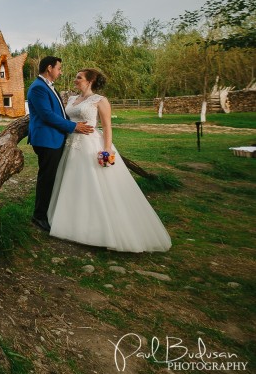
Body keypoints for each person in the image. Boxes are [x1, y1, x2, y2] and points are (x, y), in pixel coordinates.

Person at [47, 69, 171, 252]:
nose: (75, 80)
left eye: (79, 78)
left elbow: (107, 126)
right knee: (73, 185)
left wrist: (107, 149)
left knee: (95, 185)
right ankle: (72, 224)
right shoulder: (72, 99)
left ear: (90, 81)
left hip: (90, 146)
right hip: (70, 145)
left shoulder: (100, 101)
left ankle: (101, 230)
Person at [27, 56, 94, 232]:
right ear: (49, 68)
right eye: (59, 68)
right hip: (46, 140)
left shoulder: (47, 86)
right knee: (47, 178)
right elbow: (47, 115)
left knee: (52, 177)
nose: (61, 71)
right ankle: (39, 216)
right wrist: (73, 126)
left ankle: (48, 211)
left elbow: (59, 113)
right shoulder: (38, 88)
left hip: (54, 137)